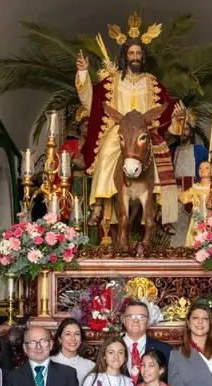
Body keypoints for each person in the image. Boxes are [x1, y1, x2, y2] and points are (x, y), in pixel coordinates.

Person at [76, 12, 187, 229]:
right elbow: (91, 100)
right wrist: (82, 74)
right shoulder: (112, 82)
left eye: (138, 53)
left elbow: (166, 112)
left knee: (161, 155)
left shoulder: (151, 82)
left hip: (145, 130)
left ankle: (164, 212)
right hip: (119, 129)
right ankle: (98, 205)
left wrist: (178, 117)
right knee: (107, 154)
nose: (135, 57)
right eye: (131, 53)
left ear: (143, 57)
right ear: (125, 56)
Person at [121, 300, 172, 385]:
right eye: (131, 316)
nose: (136, 321)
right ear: (124, 320)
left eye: (141, 317)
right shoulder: (109, 347)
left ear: (148, 321)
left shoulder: (165, 350)